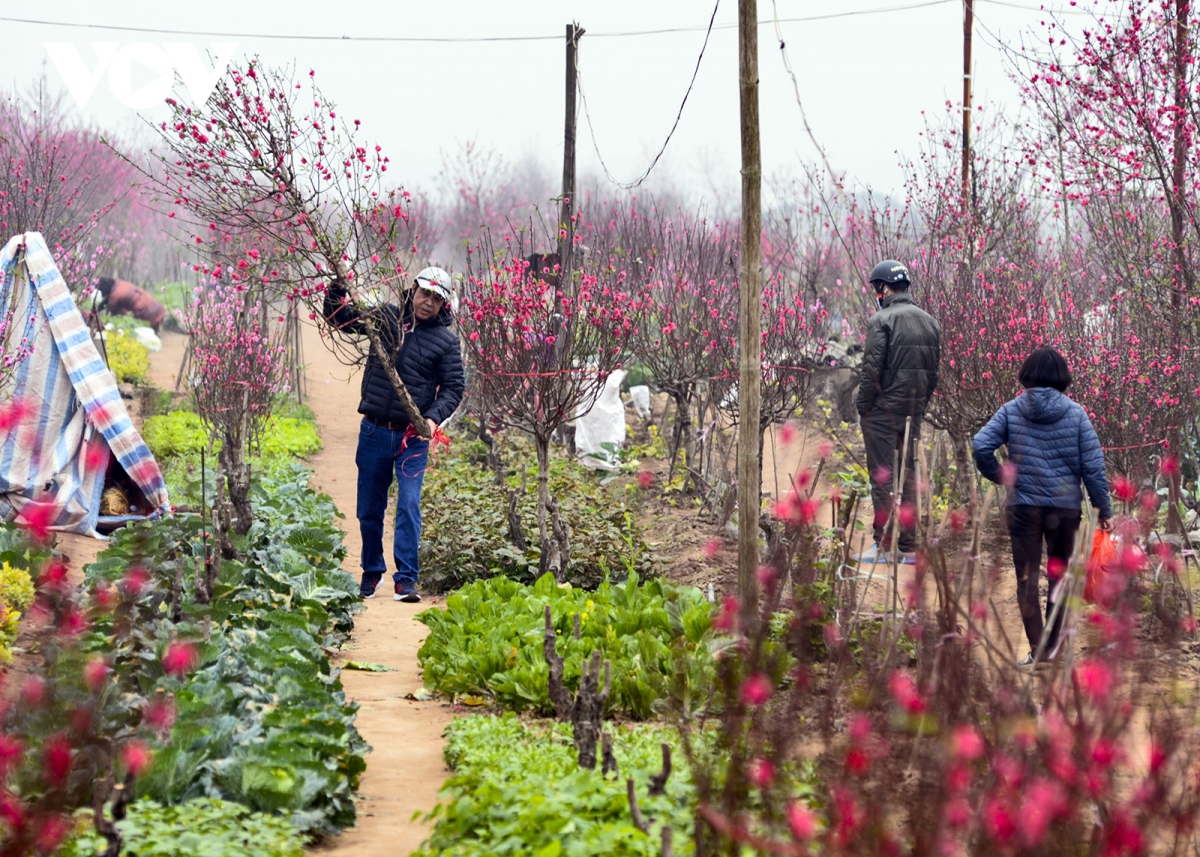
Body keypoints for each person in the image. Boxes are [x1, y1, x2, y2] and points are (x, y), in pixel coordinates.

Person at [323, 267, 465, 602]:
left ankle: (406, 579)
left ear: (443, 305)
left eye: (436, 299)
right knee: (369, 508)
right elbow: (339, 317)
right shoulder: (385, 318)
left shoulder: (446, 342)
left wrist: (430, 420)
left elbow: (454, 388)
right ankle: (372, 572)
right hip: (374, 428)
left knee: (409, 505)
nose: (427, 303)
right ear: (412, 289)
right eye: (424, 293)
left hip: (412, 437)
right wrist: (337, 287)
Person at [972, 347, 1112, 667]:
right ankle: (1050, 649)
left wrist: (1004, 476)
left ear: (1027, 374)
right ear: (1063, 377)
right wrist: (1104, 511)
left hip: (1023, 507)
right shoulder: (1076, 414)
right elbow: (1093, 468)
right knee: (1060, 577)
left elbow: (980, 445)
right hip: (1065, 510)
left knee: (1026, 579)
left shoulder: (1011, 410)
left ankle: (1038, 650)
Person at [855, 260, 941, 562]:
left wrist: (862, 405)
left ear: (884, 287)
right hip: (913, 411)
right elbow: (933, 375)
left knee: (883, 477)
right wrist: (920, 407)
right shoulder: (931, 322)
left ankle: (885, 544)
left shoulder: (882, 320)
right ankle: (909, 546)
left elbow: (871, 371)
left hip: (881, 412)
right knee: (908, 476)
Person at [96, 277, 167, 332]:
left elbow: (111, 312)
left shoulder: (114, 296)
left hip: (146, 310)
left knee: (121, 311)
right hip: (156, 305)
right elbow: (107, 301)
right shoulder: (119, 283)